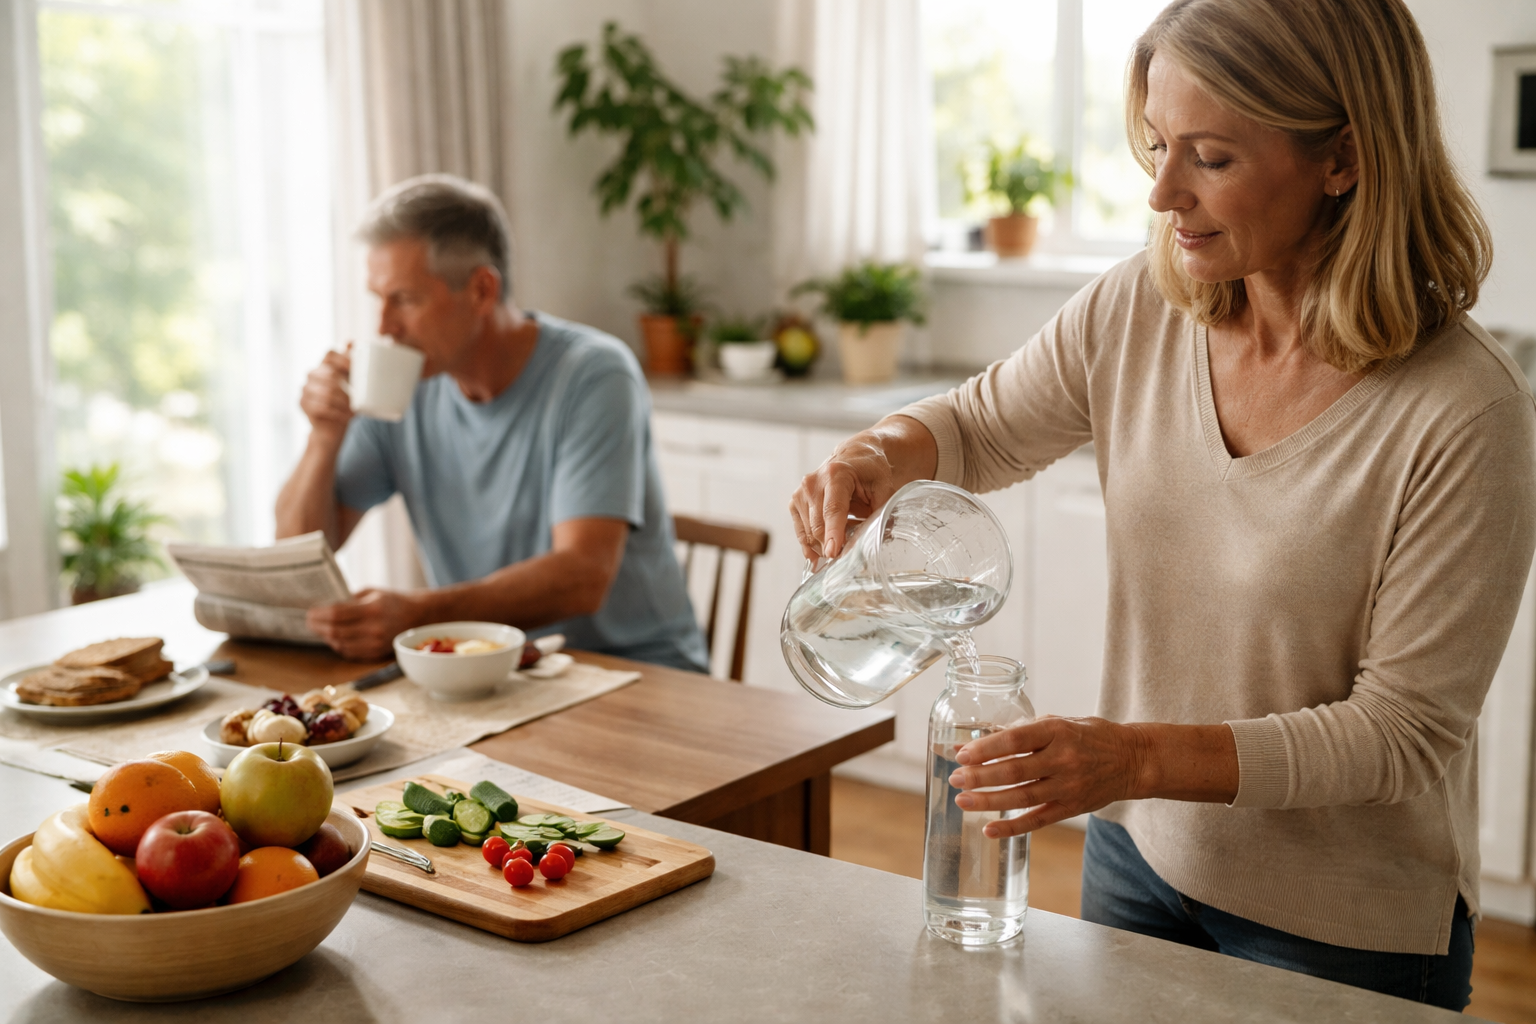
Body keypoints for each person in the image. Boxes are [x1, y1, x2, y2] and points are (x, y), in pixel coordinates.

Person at [790, 0, 1535, 1010]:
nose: (1163, 192)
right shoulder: (1140, 309)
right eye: (1156, 144)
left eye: (1211, 158)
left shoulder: (1466, 412)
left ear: (1345, 159)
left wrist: (1128, 753)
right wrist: (880, 450)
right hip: (1138, 858)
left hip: (1340, 925)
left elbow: (1399, 732)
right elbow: (976, 425)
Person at [276, 174, 707, 673]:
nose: (383, 328)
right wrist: (323, 439)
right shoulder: (404, 383)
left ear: (482, 290)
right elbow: (298, 560)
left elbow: (583, 576)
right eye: (379, 299)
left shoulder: (593, 375)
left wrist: (418, 614)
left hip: (629, 672)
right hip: (491, 672)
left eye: (406, 299)